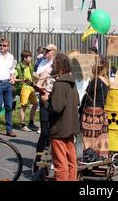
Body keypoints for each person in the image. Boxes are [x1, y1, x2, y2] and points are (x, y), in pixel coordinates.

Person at [41, 52, 79, 181]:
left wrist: (45, 100)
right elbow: (76, 102)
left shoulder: (60, 84)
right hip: (70, 128)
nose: (52, 68)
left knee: (60, 164)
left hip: (59, 129)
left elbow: (56, 108)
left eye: (54, 65)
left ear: (61, 67)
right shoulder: (71, 82)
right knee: (71, 162)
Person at [33, 43, 57, 173]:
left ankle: (51, 160)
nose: (46, 52)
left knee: (54, 133)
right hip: (43, 98)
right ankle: (37, 161)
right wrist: (41, 78)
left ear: (54, 51)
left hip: (55, 100)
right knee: (44, 133)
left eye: (48, 51)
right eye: (45, 50)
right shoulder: (42, 62)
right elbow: (37, 75)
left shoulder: (58, 64)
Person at [80, 64, 109, 159]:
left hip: (92, 110)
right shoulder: (107, 81)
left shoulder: (96, 81)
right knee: (100, 134)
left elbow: (87, 93)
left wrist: (80, 110)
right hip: (101, 110)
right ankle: (100, 153)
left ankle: (89, 153)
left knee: (89, 134)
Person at [14, 50, 39, 132]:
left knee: (35, 104)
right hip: (24, 87)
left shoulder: (30, 65)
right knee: (24, 105)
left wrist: (38, 76)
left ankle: (31, 122)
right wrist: (22, 79)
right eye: (30, 57)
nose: (31, 58)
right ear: (25, 58)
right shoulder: (18, 66)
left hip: (31, 87)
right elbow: (14, 79)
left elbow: (32, 74)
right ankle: (23, 124)